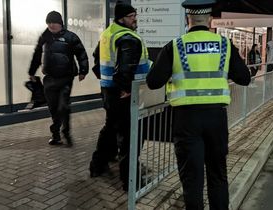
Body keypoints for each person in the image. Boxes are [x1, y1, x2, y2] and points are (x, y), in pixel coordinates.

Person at [146, 0, 250, 209]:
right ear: (210, 20)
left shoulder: (175, 46)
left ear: (188, 19)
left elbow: (153, 81)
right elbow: (244, 78)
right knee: (218, 175)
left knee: (192, 180)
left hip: (186, 119)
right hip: (216, 118)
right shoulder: (224, 45)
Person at [89, 0, 150, 192]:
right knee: (130, 136)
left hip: (109, 91)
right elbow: (125, 69)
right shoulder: (128, 38)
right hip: (124, 93)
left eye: (135, 17)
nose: (135, 20)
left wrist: (106, 82)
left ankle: (97, 165)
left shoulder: (108, 34)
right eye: (132, 17)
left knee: (110, 128)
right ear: (122, 18)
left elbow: (97, 59)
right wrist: (125, 89)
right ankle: (130, 181)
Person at [28, 11, 88, 146]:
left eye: (53, 22)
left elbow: (81, 53)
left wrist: (83, 70)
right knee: (53, 108)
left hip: (66, 78)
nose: (51, 25)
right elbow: (37, 54)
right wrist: (32, 72)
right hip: (49, 79)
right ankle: (56, 135)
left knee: (63, 106)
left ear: (60, 23)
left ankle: (65, 132)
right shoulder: (44, 37)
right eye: (48, 23)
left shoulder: (70, 37)